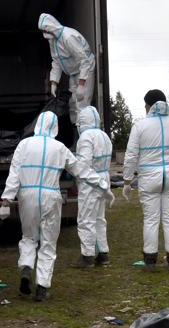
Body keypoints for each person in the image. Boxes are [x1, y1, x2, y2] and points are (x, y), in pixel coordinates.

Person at [0, 110, 109, 301]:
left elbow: (14, 172)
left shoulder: (24, 145)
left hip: (27, 195)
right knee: (48, 243)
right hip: (51, 195)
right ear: (55, 127)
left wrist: (6, 199)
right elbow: (80, 170)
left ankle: (26, 268)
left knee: (28, 236)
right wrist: (101, 183)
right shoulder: (59, 148)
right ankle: (42, 287)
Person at [122, 89, 169, 270]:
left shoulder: (140, 126)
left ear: (150, 105)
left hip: (149, 179)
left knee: (151, 219)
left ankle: (150, 260)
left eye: (146, 105)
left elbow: (131, 155)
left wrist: (127, 181)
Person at [72, 105, 113, 267]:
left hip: (90, 181)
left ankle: (87, 255)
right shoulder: (104, 136)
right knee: (99, 219)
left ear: (83, 121)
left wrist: (73, 168)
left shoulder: (86, 137)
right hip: (104, 178)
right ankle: (103, 253)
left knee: (86, 219)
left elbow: (84, 164)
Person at [38, 13, 95, 125]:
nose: (45, 34)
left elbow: (84, 61)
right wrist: (54, 82)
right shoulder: (52, 40)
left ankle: (86, 135)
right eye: (43, 31)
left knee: (82, 104)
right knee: (73, 104)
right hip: (73, 72)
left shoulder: (68, 37)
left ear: (51, 28)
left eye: (46, 31)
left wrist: (82, 84)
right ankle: (76, 131)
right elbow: (56, 61)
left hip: (85, 69)